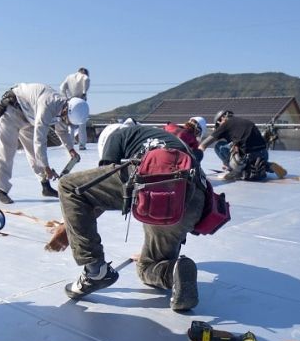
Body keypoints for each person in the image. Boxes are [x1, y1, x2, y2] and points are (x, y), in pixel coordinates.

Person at [57, 122, 204, 312]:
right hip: (193, 200)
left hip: (157, 180)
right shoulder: (162, 138)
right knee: (148, 267)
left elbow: (97, 190)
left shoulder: (117, 135)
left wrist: (68, 225)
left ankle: (95, 271)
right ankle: (174, 271)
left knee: (70, 188)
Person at [0, 83, 82, 204]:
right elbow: (39, 140)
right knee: (6, 151)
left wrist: (71, 149)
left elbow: (62, 130)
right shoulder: (48, 105)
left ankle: (46, 187)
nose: (67, 122)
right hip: (12, 110)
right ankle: (2, 191)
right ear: (67, 109)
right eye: (68, 120)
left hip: (29, 116)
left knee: (35, 154)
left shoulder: (63, 108)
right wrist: (46, 167)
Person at [201, 109, 269, 181]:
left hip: (248, 158)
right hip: (264, 155)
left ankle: (236, 171)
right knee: (235, 145)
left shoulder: (225, 124)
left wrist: (196, 158)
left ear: (221, 119)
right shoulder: (246, 122)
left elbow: (203, 145)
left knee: (219, 146)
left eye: (218, 125)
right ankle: (264, 165)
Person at [60, 67, 90, 150]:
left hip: (71, 101)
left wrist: (65, 97)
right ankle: (82, 144)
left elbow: (62, 87)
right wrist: (84, 92)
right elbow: (86, 79)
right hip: (80, 101)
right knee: (82, 123)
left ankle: (70, 143)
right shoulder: (84, 76)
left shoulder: (69, 77)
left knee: (71, 124)